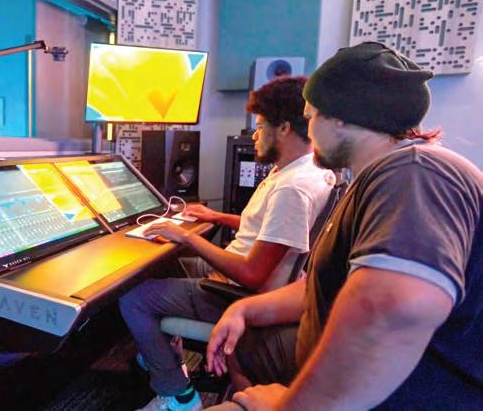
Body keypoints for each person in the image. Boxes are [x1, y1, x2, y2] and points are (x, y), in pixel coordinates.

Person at [206, 42, 483, 410]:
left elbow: (395, 304)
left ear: (340, 117)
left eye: (311, 116)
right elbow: (324, 286)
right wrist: (245, 309)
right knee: (241, 347)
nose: (309, 130)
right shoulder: (378, 176)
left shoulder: (413, 173)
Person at [119, 76, 333, 411]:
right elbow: (270, 231)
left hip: (238, 292)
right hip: (238, 277)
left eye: (260, 127)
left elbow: (252, 275)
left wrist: (187, 236)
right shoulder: (303, 171)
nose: (255, 136)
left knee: (134, 298)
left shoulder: (293, 188)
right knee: (160, 266)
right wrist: (216, 217)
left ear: (284, 129)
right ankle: (162, 354)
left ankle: (178, 394)